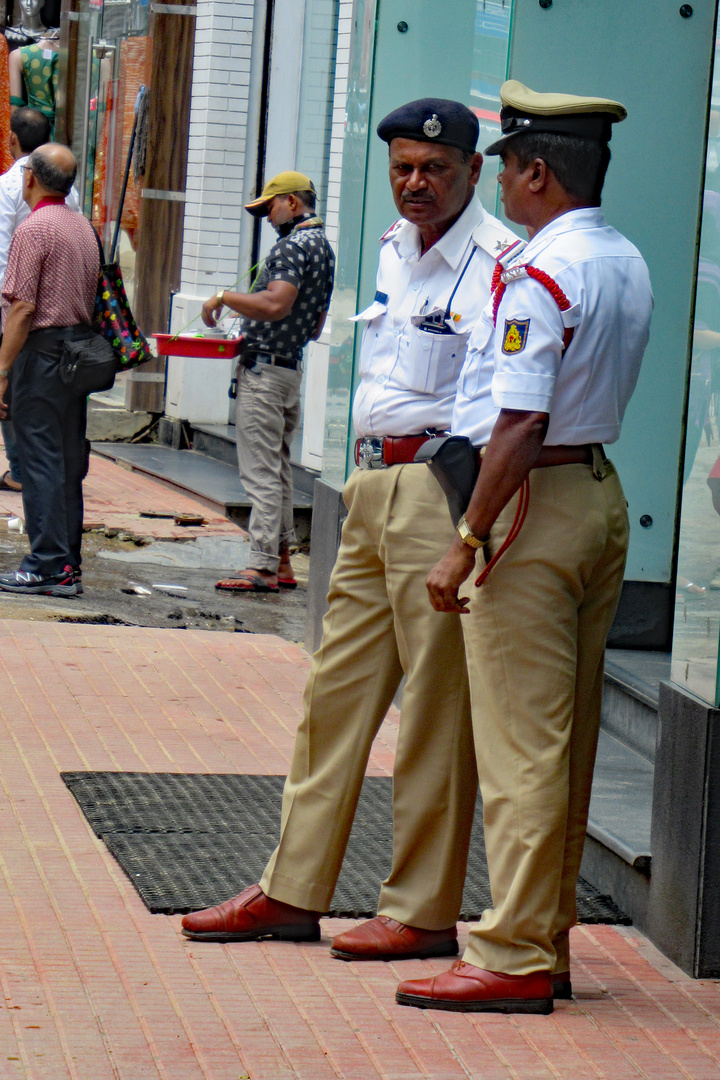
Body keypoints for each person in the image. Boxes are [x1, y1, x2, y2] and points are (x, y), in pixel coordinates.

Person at [181, 99, 519, 957]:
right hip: (369, 484)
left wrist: (469, 531)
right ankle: (292, 888)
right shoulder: (390, 251)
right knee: (333, 699)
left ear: (474, 173)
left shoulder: (500, 263)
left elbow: (498, 407)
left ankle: (421, 908)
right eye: (404, 167)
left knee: (436, 712)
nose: (416, 183)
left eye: (435, 169)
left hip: (439, 489)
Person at [395, 81, 653, 1014]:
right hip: (596, 494)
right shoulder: (623, 258)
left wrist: (466, 539)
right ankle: (543, 942)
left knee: (519, 745)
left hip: (532, 502)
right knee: (567, 738)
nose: (501, 181)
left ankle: (510, 956)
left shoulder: (539, 272)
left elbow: (517, 420)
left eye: (505, 164)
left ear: (536, 170)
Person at [201, 171, 335, 594]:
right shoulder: (323, 247)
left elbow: (276, 303)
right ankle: (281, 560)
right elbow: (313, 326)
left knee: (260, 473)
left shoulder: (292, 246)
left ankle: (261, 565)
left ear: (293, 202)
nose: (267, 218)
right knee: (277, 471)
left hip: (263, 371)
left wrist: (223, 298)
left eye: (270, 207)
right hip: (290, 369)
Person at [0, 143, 100, 597]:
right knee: (66, 461)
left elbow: (22, 309)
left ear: (29, 180)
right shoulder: (83, 228)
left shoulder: (33, 229)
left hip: (41, 355)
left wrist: (2, 368)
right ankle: (67, 564)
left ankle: (45, 563)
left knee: (39, 460)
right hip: (77, 355)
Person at [0, 107, 80, 494]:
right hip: (67, 319)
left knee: (13, 391)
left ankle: (21, 469)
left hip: (22, 309)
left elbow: (2, 254)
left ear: (13, 140)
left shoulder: (19, 204)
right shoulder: (71, 200)